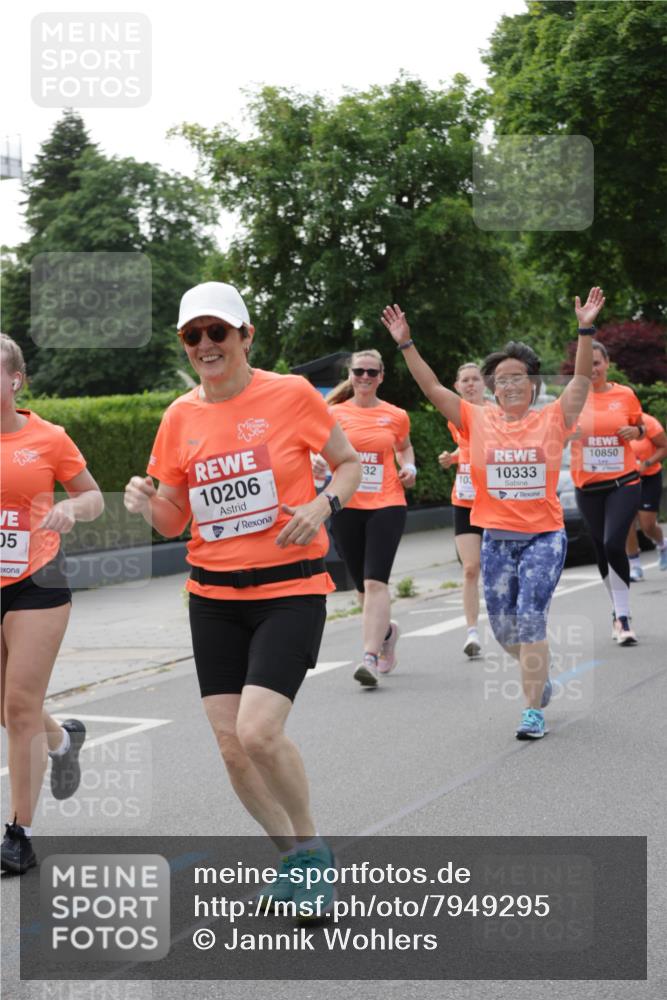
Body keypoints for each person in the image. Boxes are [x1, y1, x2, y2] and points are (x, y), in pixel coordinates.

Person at [123, 282, 360, 916]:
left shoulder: (288, 395)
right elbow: (174, 522)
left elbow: (348, 464)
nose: (205, 345)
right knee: (231, 748)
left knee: (258, 732)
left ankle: (313, 853)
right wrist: (148, 503)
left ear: (245, 336)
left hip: (289, 590)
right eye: (192, 336)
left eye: (217, 332)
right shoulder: (179, 416)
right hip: (212, 597)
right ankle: (289, 857)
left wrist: (320, 504)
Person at [381, 288, 605, 740]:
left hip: (544, 536)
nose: (509, 385)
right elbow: (431, 387)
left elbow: (580, 381)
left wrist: (584, 329)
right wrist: (405, 343)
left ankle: (531, 712)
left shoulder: (552, 419)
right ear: (492, 387)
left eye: (517, 377)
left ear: (533, 383)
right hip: (497, 539)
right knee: (505, 631)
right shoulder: (477, 420)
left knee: (530, 617)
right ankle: (538, 677)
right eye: (500, 379)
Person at [1, 333, 104, 874]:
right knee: (7, 708)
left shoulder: (48, 437)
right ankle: (63, 741)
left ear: (14, 380)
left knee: (19, 707)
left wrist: (71, 511)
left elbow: (92, 496)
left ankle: (19, 834)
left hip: (36, 581)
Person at [316, 349, 416, 687]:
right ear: (351, 374)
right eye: (359, 371)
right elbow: (317, 450)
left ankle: (370, 657)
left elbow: (403, 446)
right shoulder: (333, 413)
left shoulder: (396, 415)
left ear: (381, 377)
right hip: (344, 504)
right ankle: (386, 632)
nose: (365, 378)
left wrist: (409, 467)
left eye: (372, 373)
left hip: (387, 503)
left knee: (375, 582)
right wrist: (317, 464)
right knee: (362, 585)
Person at [569, 340, 645, 645]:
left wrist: (635, 432)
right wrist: (566, 433)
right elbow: (553, 430)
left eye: (597, 363)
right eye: (587, 364)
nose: (593, 369)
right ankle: (617, 609)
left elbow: (641, 426)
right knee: (601, 547)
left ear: (607, 363)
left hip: (623, 481)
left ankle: (624, 618)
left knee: (615, 542)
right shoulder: (573, 397)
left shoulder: (624, 394)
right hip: (587, 486)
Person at [438, 363, 487, 658]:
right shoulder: (454, 419)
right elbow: (467, 448)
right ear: (457, 386)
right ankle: (472, 632)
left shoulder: (496, 413)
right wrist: (453, 457)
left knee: (496, 571)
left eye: (475, 379)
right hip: (465, 500)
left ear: (485, 384)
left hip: (496, 503)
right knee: (470, 569)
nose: (470, 384)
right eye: (464, 380)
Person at [625, 411, 667, 579]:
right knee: (626, 521)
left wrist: (646, 464)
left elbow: (664, 447)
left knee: (647, 525)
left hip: (649, 476)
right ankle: (634, 566)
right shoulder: (613, 423)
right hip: (625, 478)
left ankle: (662, 544)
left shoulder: (649, 422)